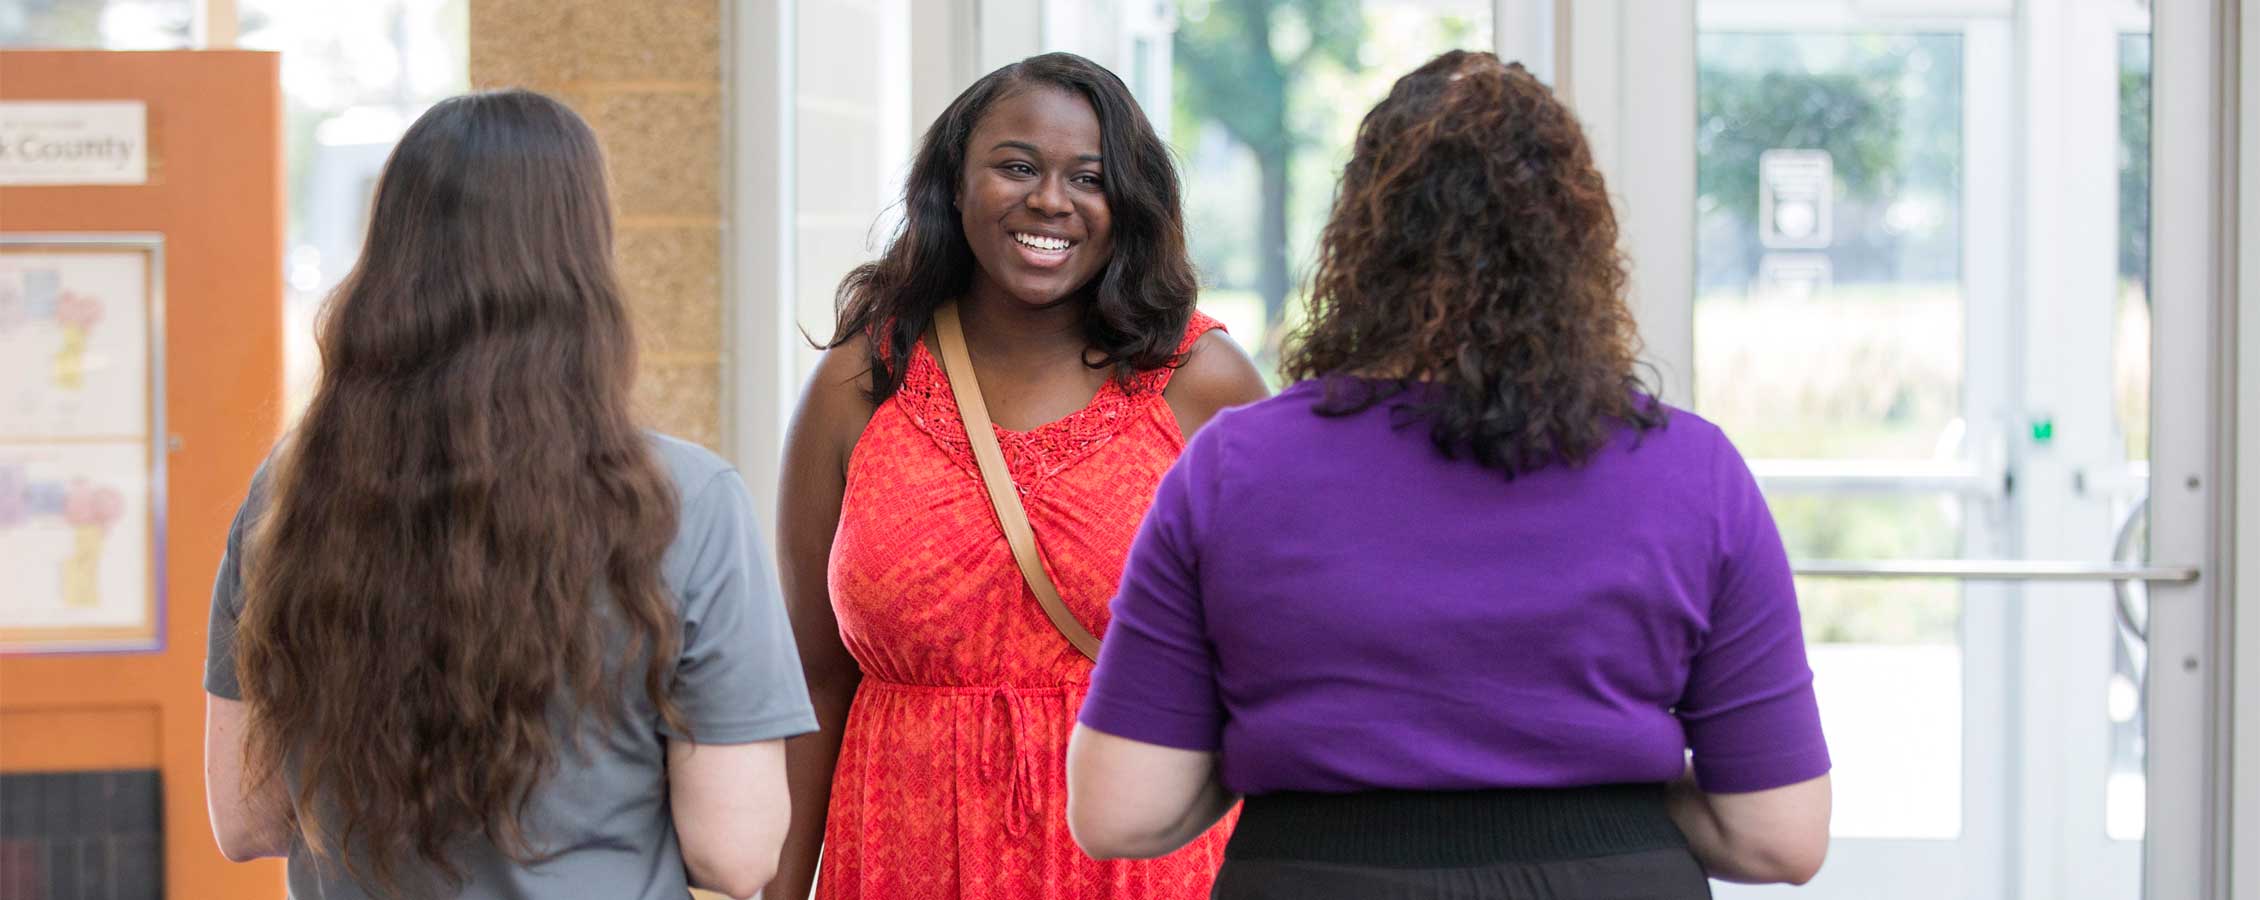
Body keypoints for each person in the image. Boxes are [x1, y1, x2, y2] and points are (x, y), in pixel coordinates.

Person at [1065, 51, 1833, 899]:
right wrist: (1614, 794)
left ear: (1360, 241)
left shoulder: (1235, 467)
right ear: (1578, 246)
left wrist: (1273, 747)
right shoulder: (1694, 472)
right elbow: (1779, 837)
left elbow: (1122, 812)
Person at [200, 90, 817, 900]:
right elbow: (734, 853)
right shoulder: (688, 502)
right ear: (584, 265)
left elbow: (249, 820)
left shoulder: (293, 491)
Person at [769, 52, 1270, 900]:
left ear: (1129, 204)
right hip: (902, 857)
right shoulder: (863, 379)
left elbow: (1277, 665)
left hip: (1140, 868)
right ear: (954, 185)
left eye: (1090, 176)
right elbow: (814, 678)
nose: (1051, 200)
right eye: (1016, 166)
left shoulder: (1204, 383)